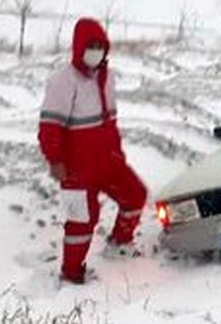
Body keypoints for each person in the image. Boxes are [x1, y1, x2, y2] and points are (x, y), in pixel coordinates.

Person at [38, 17, 147, 284]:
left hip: (108, 162)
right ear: (78, 47)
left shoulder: (107, 78)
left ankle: (120, 242)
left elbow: (110, 122)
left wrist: (117, 153)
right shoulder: (62, 81)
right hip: (76, 167)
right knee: (82, 221)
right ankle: (72, 273)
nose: (96, 51)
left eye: (101, 45)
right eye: (91, 45)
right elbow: (50, 127)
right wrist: (56, 160)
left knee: (135, 195)